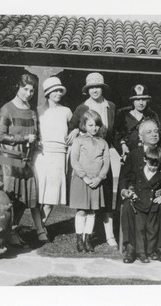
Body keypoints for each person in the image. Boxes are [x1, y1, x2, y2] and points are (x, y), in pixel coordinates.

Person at [119, 119, 161, 263]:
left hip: (157, 197)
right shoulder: (134, 155)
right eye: (149, 132)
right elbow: (124, 178)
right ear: (140, 136)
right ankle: (130, 248)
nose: (154, 134)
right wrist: (125, 191)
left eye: (155, 131)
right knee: (128, 206)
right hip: (137, 195)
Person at [0, 73, 45, 244]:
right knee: (8, 199)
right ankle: (6, 233)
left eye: (31, 90)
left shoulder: (32, 111)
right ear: (18, 87)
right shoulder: (7, 109)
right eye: (25, 89)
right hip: (8, 161)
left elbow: (34, 134)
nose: (28, 93)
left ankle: (13, 230)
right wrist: (23, 139)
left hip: (26, 160)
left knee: (25, 199)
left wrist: (36, 141)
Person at [69, 72, 118, 248]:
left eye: (97, 87)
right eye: (91, 88)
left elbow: (115, 132)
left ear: (102, 88)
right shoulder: (82, 107)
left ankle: (109, 234)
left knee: (103, 196)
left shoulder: (110, 106)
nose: (94, 91)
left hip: (102, 154)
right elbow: (73, 126)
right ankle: (81, 238)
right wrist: (75, 130)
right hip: (85, 158)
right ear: (87, 90)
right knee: (84, 206)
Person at [34, 77, 75, 235]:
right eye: (55, 90)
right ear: (48, 93)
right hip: (41, 155)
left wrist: (76, 131)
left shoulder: (66, 111)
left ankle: (41, 226)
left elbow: (76, 126)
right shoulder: (38, 111)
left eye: (60, 90)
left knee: (52, 196)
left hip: (59, 155)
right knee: (38, 194)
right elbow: (33, 131)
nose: (58, 93)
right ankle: (39, 229)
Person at [69, 110, 111, 253]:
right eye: (90, 125)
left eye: (97, 125)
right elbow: (74, 160)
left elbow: (106, 163)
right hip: (82, 180)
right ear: (84, 125)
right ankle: (79, 239)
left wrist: (99, 178)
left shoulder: (103, 143)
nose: (94, 128)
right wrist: (84, 177)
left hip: (96, 181)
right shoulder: (78, 141)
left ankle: (88, 239)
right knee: (81, 211)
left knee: (92, 211)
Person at [114, 84, 160, 161]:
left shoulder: (152, 115)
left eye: (143, 99)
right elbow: (117, 135)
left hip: (147, 155)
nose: (141, 103)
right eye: (137, 100)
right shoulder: (123, 115)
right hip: (128, 154)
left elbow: (157, 136)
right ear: (132, 101)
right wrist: (122, 145)